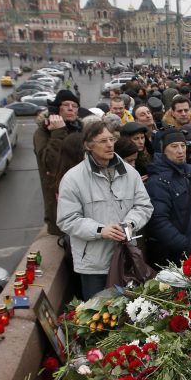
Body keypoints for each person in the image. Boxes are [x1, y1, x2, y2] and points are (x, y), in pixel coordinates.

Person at [57, 124, 154, 299]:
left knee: (129, 315)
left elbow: (144, 206)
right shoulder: (73, 178)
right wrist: (101, 230)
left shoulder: (130, 172)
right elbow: (67, 220)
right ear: (88, 145)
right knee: (98, 319)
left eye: (111, 139)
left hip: (126, 258)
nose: (110, 145)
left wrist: (130, 224)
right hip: (94, 265)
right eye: (103, 141)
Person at [145, 129, 191, 267]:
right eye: (174, 146)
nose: (180, 150)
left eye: (183, 146)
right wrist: (184, 244)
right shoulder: (157, 181)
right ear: (163, 150)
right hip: (179, 253)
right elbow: (158, 221)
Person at [34, 90, 83, 236]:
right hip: (59, 203)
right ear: (56, 110)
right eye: (66, 105)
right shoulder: (43, 133)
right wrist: (58, 132)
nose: (70, 108)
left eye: (74, 106)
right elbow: (51, 163)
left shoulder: (80, 129)